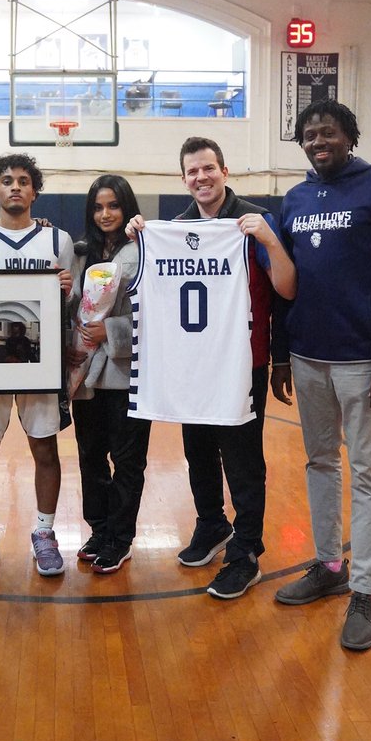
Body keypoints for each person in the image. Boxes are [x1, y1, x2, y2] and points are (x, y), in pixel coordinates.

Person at [272, 100, 371, 651]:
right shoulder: (295, 199)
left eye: (328, 132)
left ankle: (365, 591)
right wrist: (281, 355)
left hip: (364, 362)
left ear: (349, 135)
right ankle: (329, 565)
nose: (318, 141)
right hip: (309, 357)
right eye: (309, 134)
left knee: (366, 472)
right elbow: (284, 286)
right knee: (319, 463)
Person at [127, 136, 296, 600]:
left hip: (242, 365)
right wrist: (141, 235)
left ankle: (246, 552)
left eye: (208, 169)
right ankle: (212, 525)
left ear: (224, 171)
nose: (201, 177)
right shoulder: (174, 228)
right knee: (197, 452)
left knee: (242, 462)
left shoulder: (251, 222)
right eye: (192, 172)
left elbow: (286, 288)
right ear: (184, 179)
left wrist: (268, 238)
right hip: (192, 365)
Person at [0, 153, 74, 580]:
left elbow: (68, 302)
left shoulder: (58, 239)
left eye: (24, 180)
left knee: (45, 448)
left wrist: (68, 289)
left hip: (41, 363)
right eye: (7, 180)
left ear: (35, 191)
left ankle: (44, 533)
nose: (16, 187)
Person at [68, 174, 151, 574]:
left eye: (113, 205)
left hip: (126, 372)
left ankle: (121, 538)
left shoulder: (144, 250)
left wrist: (113, 330)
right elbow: (70, 308)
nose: (106, 214)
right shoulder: (80, 253)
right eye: (98, 207)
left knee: (127, 459)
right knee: (91, 456)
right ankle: (99, 528)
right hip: (86, 372)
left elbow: (157, 314)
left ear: (127, 207)